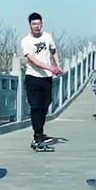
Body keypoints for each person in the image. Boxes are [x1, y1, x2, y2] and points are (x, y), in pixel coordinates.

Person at [21, 13, 63, 146]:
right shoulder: (26, 41)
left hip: (46, 77)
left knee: (46, 104)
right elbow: (32, 60)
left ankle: (40, 132)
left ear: (41, 24)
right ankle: (37, 134)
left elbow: (53, 50)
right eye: (34, 24)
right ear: (30, 25)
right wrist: (50, 67)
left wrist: (57, 65)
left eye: (38, 24)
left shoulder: (47, 37)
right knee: (35, 106)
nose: (36, 26)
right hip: (32, 76)